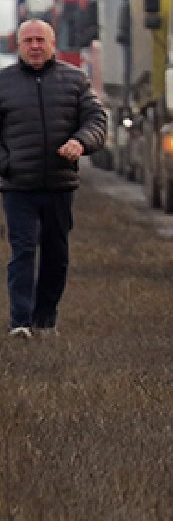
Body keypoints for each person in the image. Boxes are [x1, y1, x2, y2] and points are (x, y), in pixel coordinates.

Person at [0, 19, 107, 338]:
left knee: (56, 255)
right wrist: (7, 163)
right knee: (23, 251)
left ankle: (45, 320)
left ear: (52, 44)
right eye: (28, 41)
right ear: (17, 45)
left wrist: (81, 142)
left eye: (40, 40)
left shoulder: (74, 81)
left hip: (60, 185)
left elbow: (96, 119)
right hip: (18, 186)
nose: (34, 46)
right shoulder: (3, 83)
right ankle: (20, 322)